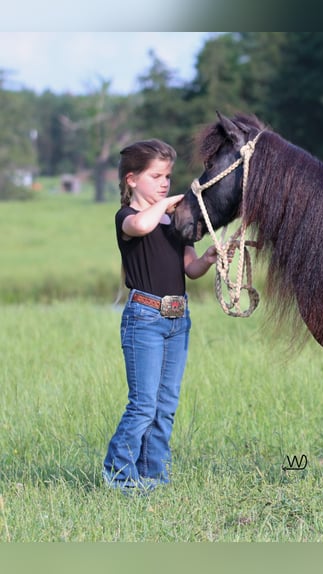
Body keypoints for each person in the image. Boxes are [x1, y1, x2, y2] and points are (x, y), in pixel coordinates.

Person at [103, 139, 217, 492]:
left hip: (177, 320)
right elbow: (140, 226)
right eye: (156, 176)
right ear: (132, 180)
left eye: (168, 176)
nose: (165, 183)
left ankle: (154, 476)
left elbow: (190, 268)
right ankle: (119, 475)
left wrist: (209, 259)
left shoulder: (174, 220)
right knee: (143, 405)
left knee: (165, 406)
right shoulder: (128, 217)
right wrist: (168, 204)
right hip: (145, 319)